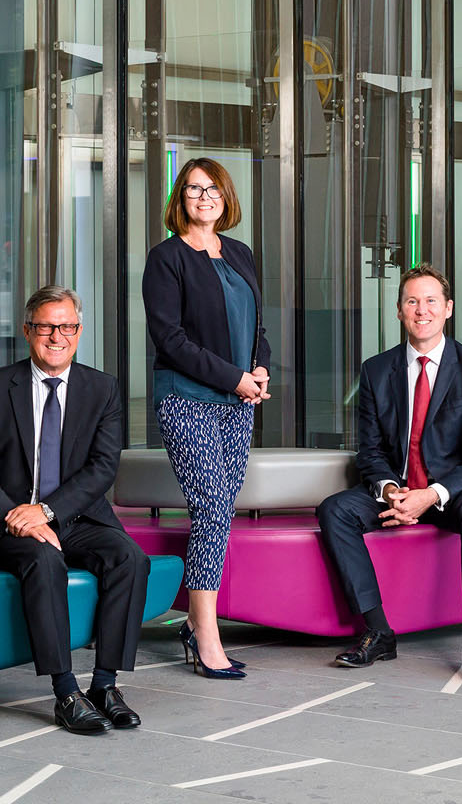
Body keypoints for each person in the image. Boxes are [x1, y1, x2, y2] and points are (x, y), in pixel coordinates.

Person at [0, 286, 151, 735]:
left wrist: (45, 511)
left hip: (75, 517)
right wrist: (14, 514)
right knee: (45, 560)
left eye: (66, 326)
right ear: (28, 331)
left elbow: (103, 469)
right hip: (9, 524)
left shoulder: (102, 388)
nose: (56, 336)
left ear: (79, 332)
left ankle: (105, 685)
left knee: (130, 559)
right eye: (45, 326)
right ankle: (65, 691)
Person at [317, 265, 462, 682]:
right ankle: (378, 630)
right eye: (412, 302)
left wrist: (429, 494)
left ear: (448, 308)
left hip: (449, 494)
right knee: (335, 510)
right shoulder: (376, 370)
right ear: (399, 311)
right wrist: (389, 490)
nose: (422, 310)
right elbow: (371, 451)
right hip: (397, 491)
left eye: (431, 301)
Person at [142, 157, 270, 679]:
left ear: (225, 197)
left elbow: (258, 323)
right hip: (188, 397)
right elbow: (170, 341)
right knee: (213, 502)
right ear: (181, 199)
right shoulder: (166, 258)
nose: (204, 196)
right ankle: (204, 633)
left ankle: (196, 625)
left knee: (220, 507)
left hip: (238, 400)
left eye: (212, 188)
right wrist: (234, 378)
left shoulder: (239, 253)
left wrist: (259, 369)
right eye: (193, 188)